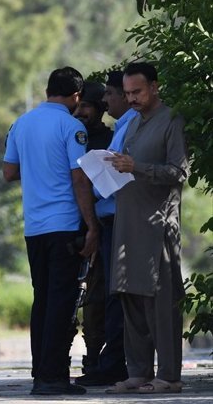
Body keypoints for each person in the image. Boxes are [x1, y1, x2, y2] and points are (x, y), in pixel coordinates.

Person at [2, 66, 99, 396]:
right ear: (75, 96)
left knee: (42, 299)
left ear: (47, 90)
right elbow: (79, 178)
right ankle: (53, 376)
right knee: (62, 301)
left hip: (34, 227)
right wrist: (92, 225)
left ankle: (40, 370)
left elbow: (8, 171)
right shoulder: (71, 127)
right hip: (64, 225)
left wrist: (37, 166)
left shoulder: (21, 124)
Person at [104, 62, 188, 394]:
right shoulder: (135, 123)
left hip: (157, 225)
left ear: (154, 86)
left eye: (137, 92)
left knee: (160, 301)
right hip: (128, 222)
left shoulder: (171, 120)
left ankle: (169, 376)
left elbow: (178, 173)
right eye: (127, 94)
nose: (132, 99)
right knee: (131, 297)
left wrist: (137, 167)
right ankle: (138, 372)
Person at [74, 70, 136, 386]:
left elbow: (114, 179)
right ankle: (102, 359)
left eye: (103, 99)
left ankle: (112, 362)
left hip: (112, 219)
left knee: (112, 293)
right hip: (92, 221)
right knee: (100, 297)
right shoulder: (74, 132)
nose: (83, 111)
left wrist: (91, 185)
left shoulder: (124, 128)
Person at [72, 81, 113, 375]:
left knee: (98, 294)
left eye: (87, 106)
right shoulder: (70, 134)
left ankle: (95, 355)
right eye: (79, 105)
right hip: (67, 223)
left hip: (99, 224)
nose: (81, 111)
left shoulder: (109, 140)